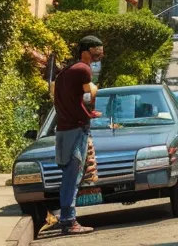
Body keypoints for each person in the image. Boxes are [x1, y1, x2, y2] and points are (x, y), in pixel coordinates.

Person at [50, 35, 104, 236]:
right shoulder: (83, 69)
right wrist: (89, 112)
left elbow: (69, 99)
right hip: (76, 128)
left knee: (69, 175)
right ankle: (68, 220)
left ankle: (65, 217)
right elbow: (88, 96)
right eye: (96, 49)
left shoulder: (65, 72)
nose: (100, 53)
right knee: (74, 175)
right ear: (85, 51)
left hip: (64, 128)